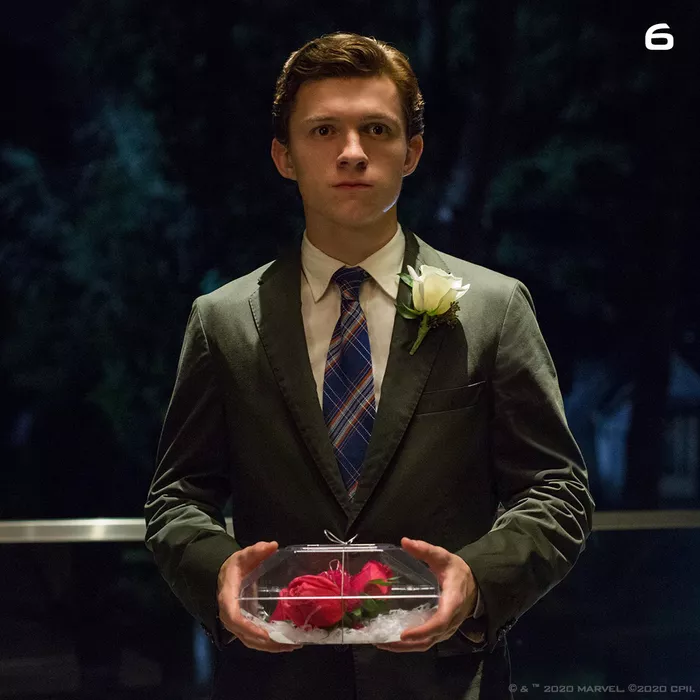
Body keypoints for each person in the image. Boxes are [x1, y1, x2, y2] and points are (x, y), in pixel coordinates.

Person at [144, 32, 594, 700]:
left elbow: (557, 490)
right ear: (284, 156)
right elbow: (176, 498)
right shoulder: (224, 320)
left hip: (443, 678)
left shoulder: (494, 308)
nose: (352, 152)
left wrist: (477, 579)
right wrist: (219, 572)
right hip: (278, 678)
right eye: (323, 130)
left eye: (376, 130)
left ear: (411, 152)